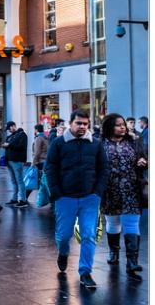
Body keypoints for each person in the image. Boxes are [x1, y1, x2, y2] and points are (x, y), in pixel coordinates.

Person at [45, 110, 109, 289]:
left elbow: (104, 169)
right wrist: (56, 192)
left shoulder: (95, 144)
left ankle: (85, 272)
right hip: (65, 198)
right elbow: (50, 168)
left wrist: (98, 192)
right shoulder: (58, 143)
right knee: (64, 235)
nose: (82, 127)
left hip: (90, 198)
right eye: (78, 123)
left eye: (85, 124)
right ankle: (63, 253)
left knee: (88, 235)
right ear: (70, 123)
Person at [99, 114, 147, 276]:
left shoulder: (134, 142)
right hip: (109, 191)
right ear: (109, 127)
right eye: (118, 125)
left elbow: (144, 156)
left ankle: (132, 261)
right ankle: (114, 252)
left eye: (123, 125)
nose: (123, 127)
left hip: (131, 189)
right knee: (113, 223)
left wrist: (142, 161)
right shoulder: (100, 144)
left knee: (132, 223)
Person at [2, 121, 28, 208]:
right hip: (9, 161)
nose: (9, 130)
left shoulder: (22, 135)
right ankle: (14, 198)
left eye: (9, 128)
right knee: (13, 181)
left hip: (17, 161)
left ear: (13, 126)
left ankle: (23, 200)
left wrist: (9, 145)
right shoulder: (10, 136)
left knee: (19, 180)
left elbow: (21, 147)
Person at [26, 124, 48, 201]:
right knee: (42, 180)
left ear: (36, 130)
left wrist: (33, 163)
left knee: (32, 178)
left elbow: (37, 152)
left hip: (40, 162)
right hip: (44, 161)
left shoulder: (39, 138)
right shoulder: (45, 137)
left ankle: (25, 198)